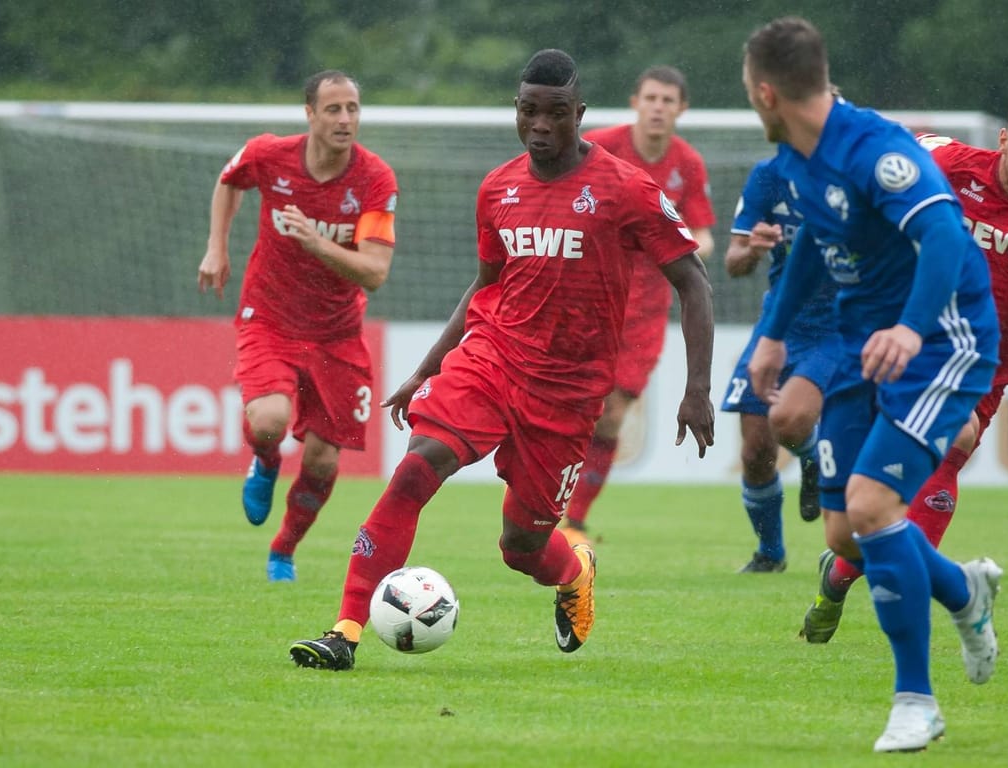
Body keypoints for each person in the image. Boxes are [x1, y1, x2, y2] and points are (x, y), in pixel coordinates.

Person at [287, 49, 715, 671]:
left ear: (580, 115)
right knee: (416, 469)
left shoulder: (625, 189)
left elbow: (694, 283)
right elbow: (485, 287)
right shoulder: (499, 187)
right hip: (492, 359)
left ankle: (573, 571)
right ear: (517, 111)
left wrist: (696, 388)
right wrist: (426, 371)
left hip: (568, 393)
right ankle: (345, 629)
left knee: (522, 546)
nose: (540, 125)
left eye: (556, 114)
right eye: (529, 112)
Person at [743, 17, 1003, 752]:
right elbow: (811, 256)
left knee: (871, 502)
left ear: (766, 92)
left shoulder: (876, 151)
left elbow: (947, 235)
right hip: (863, 345)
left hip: (940, 342)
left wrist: (914, 328)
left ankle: (915, 701)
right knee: (847, 528)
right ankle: (963, 590)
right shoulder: (797, 159)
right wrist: (772, 334)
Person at [801, 90, 1008, 641]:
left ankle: (842, 574)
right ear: (1004, 139)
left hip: (986, 367)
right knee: (955, 436)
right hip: (914, 336)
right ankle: (917, 593)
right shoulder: (948, 162)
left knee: (879, 506)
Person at [198, 70, 399, 583]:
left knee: (323, 461)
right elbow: (229, 182)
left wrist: (316, 243)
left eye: (352, 108)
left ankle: (283, 550)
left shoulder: (375, 180)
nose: (345, 119)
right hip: (270, 318)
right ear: (309, 114)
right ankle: (265, 460)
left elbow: (374, 272)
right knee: (269, 420)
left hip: (337, 334)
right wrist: (217, 246)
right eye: (333, 109)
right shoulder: (269, 155)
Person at [558, 66, 716, 545]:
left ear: (681, 109)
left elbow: (704, 238)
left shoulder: (687, 163)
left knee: (611, 415)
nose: (658, 107)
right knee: (567, 411)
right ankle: (545, 509)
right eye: (651, 97)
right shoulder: (600, 146)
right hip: (587, 301)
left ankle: (575, 521)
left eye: (668, 100)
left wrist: (663, 241)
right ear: (635, 102)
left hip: (644, 313)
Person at [720, 152, 836, 573]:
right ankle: (771, 553)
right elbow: (733, 262)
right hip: (779, 324)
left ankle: (815, 457)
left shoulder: (856, 177)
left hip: (837, 326)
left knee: (791, 421)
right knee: (754, 449)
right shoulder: (767, 176)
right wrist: (751, 248)